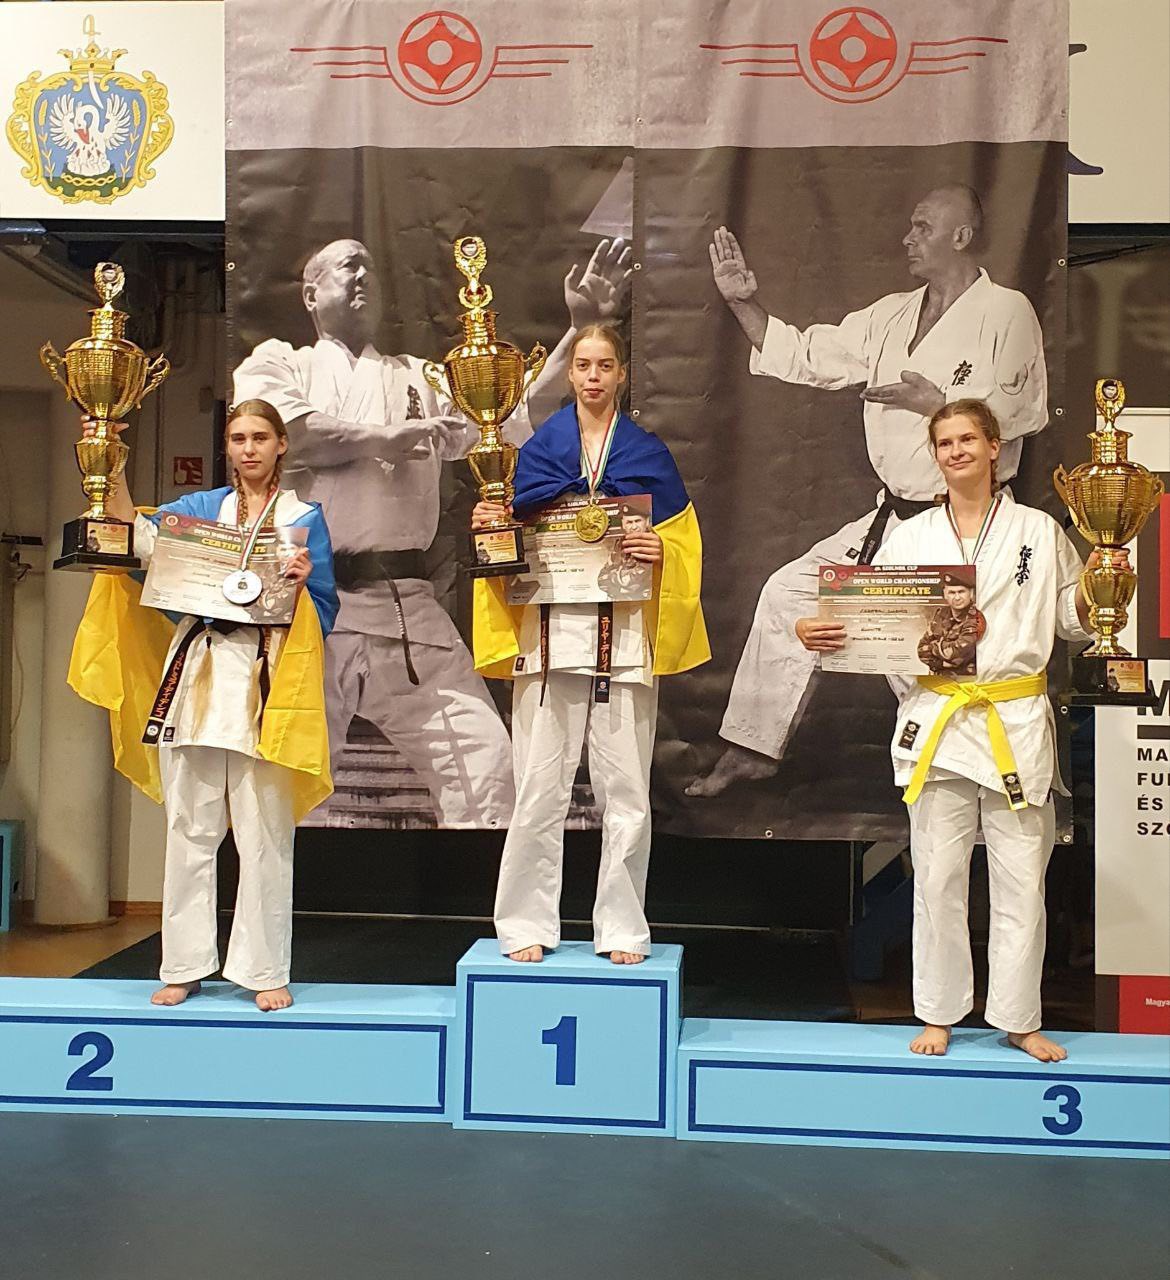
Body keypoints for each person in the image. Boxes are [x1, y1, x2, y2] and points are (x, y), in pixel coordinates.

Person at [233, 237, 631, 827]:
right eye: (347, 265)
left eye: (371, 266)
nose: (363, 274)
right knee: (285, 789)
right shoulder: (278, 363)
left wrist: (578, 329)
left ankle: (476, 886)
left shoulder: (418, 377)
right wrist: (389, 438)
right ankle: (279, 890)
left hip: (402, 603)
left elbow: (509, 415)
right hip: (306, 600)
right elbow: (296, 436)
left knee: (488, 772)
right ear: (311, 294)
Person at [688, 184, 1048, 797]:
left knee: (925, 657)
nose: (908, 238)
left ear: (961, 236)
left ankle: (962, 775)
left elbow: (1022, 412)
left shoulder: (1006, 311)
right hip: (894, 517)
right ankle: (752, 746)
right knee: (788, 594)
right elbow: (808, 354)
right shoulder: (890, 315)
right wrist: (743, 303)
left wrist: (937, 403)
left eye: (922, 227)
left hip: (963, 522)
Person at [799, 398, 1108, 1062]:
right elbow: (876, 625)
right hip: (940, 722)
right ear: (935, 455)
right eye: (945, 443)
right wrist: (817, 629)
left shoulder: (1038, 531)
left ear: (995, 447)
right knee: (937, 878)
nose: (957, 451)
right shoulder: (911, 538)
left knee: (1022, 880)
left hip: (1013, 720)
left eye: (969, 438)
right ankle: (938, 1013)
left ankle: (1019, 1018)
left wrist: (1102, 589)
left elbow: (1070, 620)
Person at [68, 399, 338, 1011]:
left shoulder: (302, 518)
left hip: (266, 678)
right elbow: (136, 538)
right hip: (195, 670)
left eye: (260, 437)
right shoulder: (198, 510)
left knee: (264, 830)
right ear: (228, 447)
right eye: (238, 438)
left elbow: (325, 607)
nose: (249, 448)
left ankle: (264, 969)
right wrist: (110, 462)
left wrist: (301, 586)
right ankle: (184, 965)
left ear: (281, 445)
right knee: (190, 826)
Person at [472, 324, 710, 964]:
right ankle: (523, 924)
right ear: (571, 374)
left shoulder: (647, 454)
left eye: (605, 365)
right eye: (583, 365)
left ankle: (623, 929)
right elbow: (504, 547)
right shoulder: (535, 453)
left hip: (624, 642)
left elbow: (682, 541)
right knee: (537, 791)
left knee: (626, 794)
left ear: (622, 374)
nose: (594, 376)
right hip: (547, 640)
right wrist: (489, 527)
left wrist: (660, 550)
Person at [917, 568, 985, 679]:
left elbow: (956, 653)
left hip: (966, 682)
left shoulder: (975, 617)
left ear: (971, 593)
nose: (957, 597)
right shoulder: (941, 614)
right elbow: (921, 650)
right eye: (952, 592)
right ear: (945, 594)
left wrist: (932, 646)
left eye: (961, 592)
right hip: (937, 682)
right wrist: (941, 663)